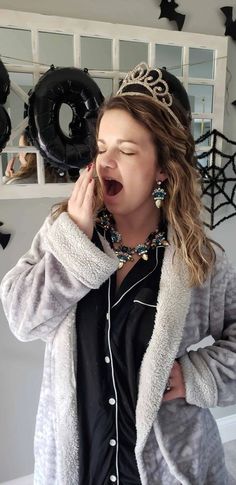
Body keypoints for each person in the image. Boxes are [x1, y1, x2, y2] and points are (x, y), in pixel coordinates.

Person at [1, 62, 236, 485]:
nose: (105, 162)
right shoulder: (66, 232)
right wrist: (74, 240)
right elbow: (20, 318)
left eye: (126, 151)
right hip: (79, 468)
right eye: (101, 146)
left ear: (163, 168)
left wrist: (198, 375)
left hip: (168, 469)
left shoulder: (197, 260)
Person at [3, 129, 68, 184]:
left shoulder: (16, 183)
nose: (18, 155)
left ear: (31, 154)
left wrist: (7, 179)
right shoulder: (66, 178)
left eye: (22, 149)